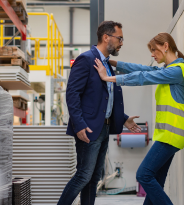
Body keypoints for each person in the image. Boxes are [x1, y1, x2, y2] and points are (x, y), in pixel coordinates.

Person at [94, 32, 184, 205]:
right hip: (168, 135)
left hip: (171, 136)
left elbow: (143, 77)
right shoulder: (169, 70)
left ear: (166, 46)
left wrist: (108, 78)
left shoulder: (176, 72)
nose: (152, 55)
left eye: (154, 50)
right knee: (157, 182)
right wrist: (113, 62)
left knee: (143, 175)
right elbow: (142, 69)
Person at [58, 21, 141, 205]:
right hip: (88, 128)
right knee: (83, 176)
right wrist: (78, 124)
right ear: (106, 37)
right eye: (119, 38)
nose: (121, 43)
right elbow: (72, 94)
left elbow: (104, 99)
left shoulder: (106, 64)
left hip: (103, 129)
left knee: (94, 177)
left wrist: (124, 119)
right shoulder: (86, 59)